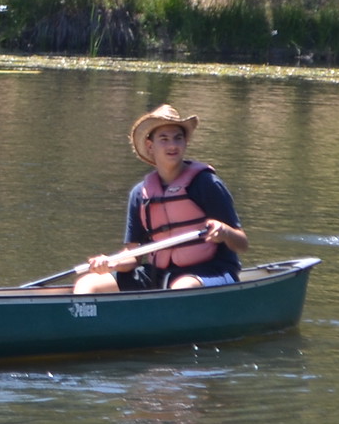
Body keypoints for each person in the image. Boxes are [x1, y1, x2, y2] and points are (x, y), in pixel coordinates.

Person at [76, 104, 246, 295]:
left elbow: (242, 243)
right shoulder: (140, 194)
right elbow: (133, 256)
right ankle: (85, 314)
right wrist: (112, 262)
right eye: (164, 139)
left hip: (211, 271)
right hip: (159, 274)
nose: (172, 145)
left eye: (178, 138)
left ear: (185, 143)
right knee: (87, 284)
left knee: (182, 288)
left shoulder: (206, 184)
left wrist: (225, 232)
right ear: (150, 146)